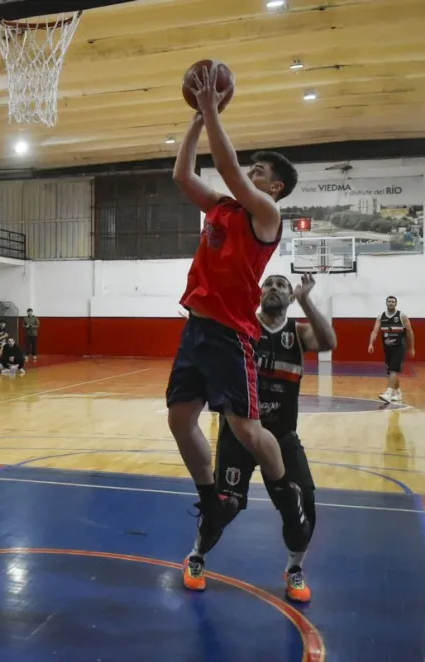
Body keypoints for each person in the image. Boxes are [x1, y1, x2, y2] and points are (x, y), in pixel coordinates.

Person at [167, 62, 308, 558]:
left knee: (246, 430)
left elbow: (226, 168)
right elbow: (183, 174)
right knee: (180, 421)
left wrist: (211, 109)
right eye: (254, 169)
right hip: (196, 329)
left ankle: (285, 495)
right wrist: (197, 120)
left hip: (230, 333)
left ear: (275, 189)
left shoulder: (267, 217)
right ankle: (212, 500)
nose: (253, 172)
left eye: (262, 173)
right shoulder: (224, 207)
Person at [183, 274, 334, 603]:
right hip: (239, 433)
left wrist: (306, 299)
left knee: (300, 501)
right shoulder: (241, 329)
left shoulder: (296, 334)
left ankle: (295, 568)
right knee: (225, 505)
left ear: (289, 297)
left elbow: (329, 342)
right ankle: (196, 557)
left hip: (280, 437)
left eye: (282, 285)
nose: (275, 289)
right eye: (269, 284)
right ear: (259, 293)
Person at [367, 295, 415, 403]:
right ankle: (398, 393)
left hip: (399, 348)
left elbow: (410, 332)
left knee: (393, 369)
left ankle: (388, 393)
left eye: (393, 301)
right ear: (386, 303)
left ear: (396, 304)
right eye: (389, 301)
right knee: (391, 371)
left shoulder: (402, 316)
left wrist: (411, 348)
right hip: (388, 349)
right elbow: (374, 331)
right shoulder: (381, 316)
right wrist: (371, 344)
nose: (391, 303)